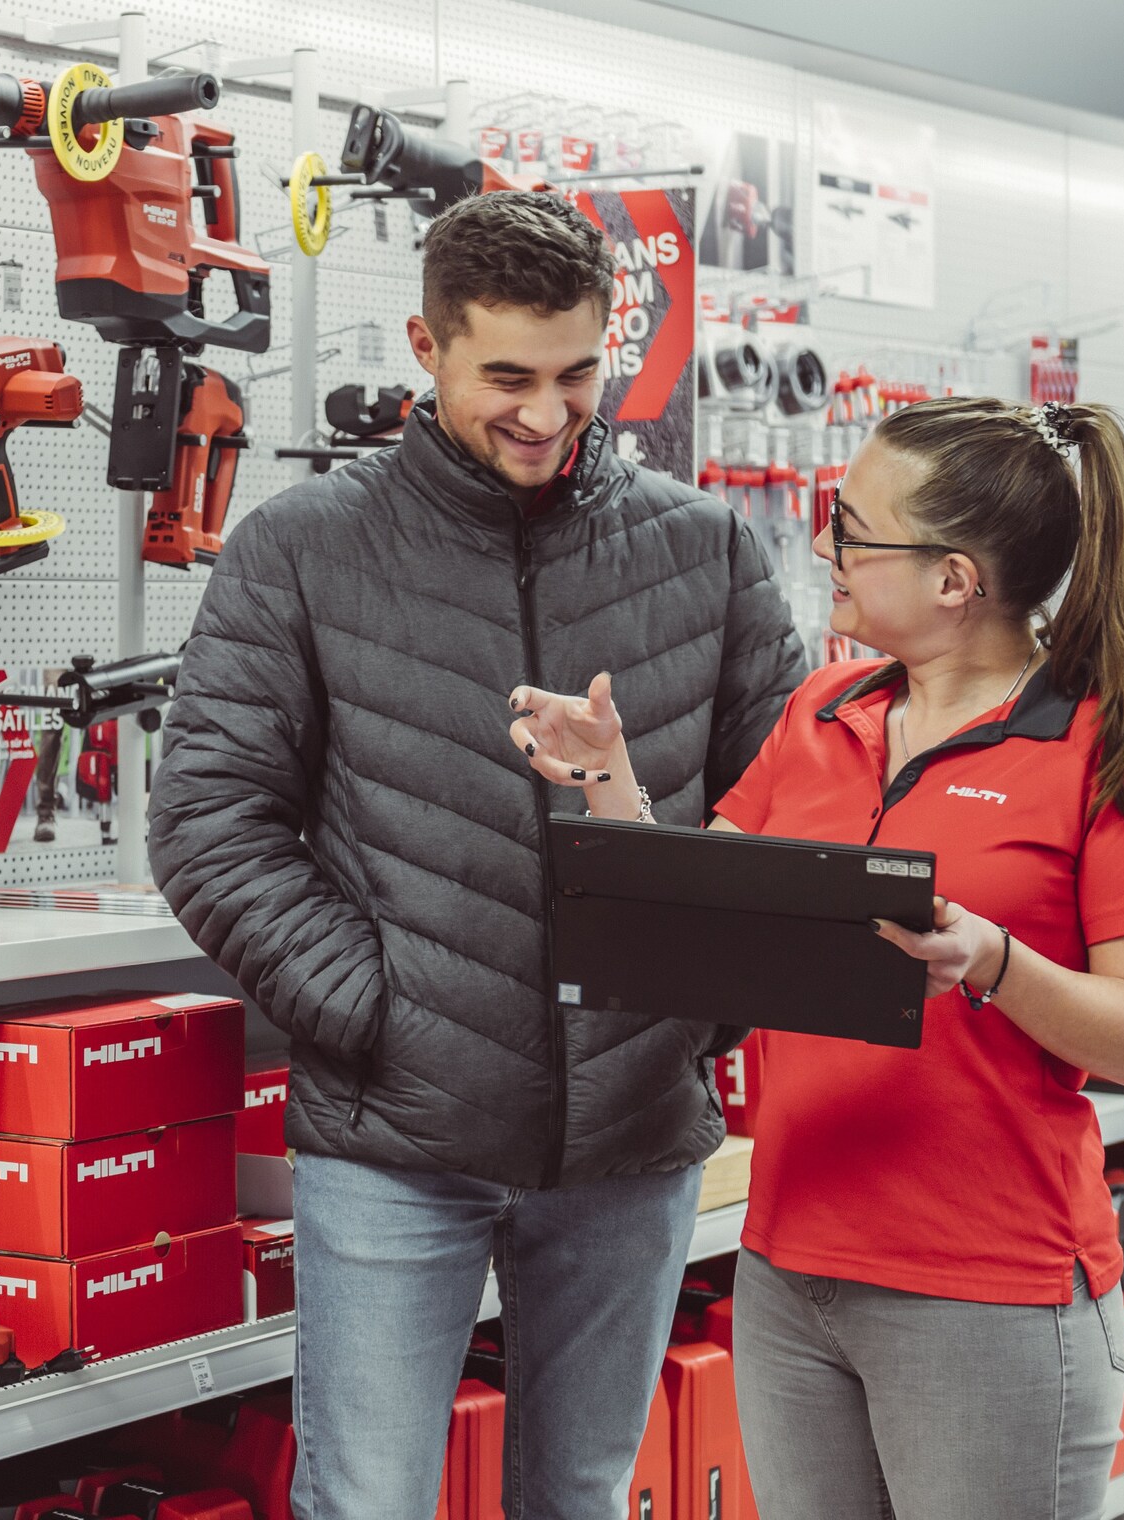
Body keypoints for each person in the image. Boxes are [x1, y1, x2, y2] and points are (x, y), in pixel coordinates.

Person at [148, 190, 808, 1520]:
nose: (547, 415)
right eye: (506, 376)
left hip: (631, 1136)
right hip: (397, 1137)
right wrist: (385, 1013)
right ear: (426, 346)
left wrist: (687, 1020)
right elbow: (212, 827)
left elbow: (792, 819)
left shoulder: (708, 549)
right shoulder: (306, 547)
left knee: (579, 1492)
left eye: (577, 375)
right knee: (369, 1499)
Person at [511, 396, 1124, 1520]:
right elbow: (700, 914)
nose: (821, 547)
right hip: (790, 1266)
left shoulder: (1112, 746)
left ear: (954, 579)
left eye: (850, 528)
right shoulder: (823, 708)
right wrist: (608, 778)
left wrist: (994, 959)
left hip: (986, 1283)